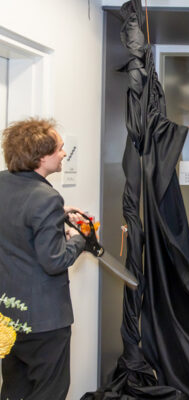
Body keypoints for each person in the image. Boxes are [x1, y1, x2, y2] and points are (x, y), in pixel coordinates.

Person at [0, 118, 87, 400]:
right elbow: (55, 261)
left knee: (15, 389)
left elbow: (18, 223)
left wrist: (57, 216)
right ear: (41, 157)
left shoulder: (3, 184)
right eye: (60, 149)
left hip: (8, 315)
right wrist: (81, 239)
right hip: (45, 321)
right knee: (49, 391)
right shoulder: (47, 198)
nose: (63, 153)